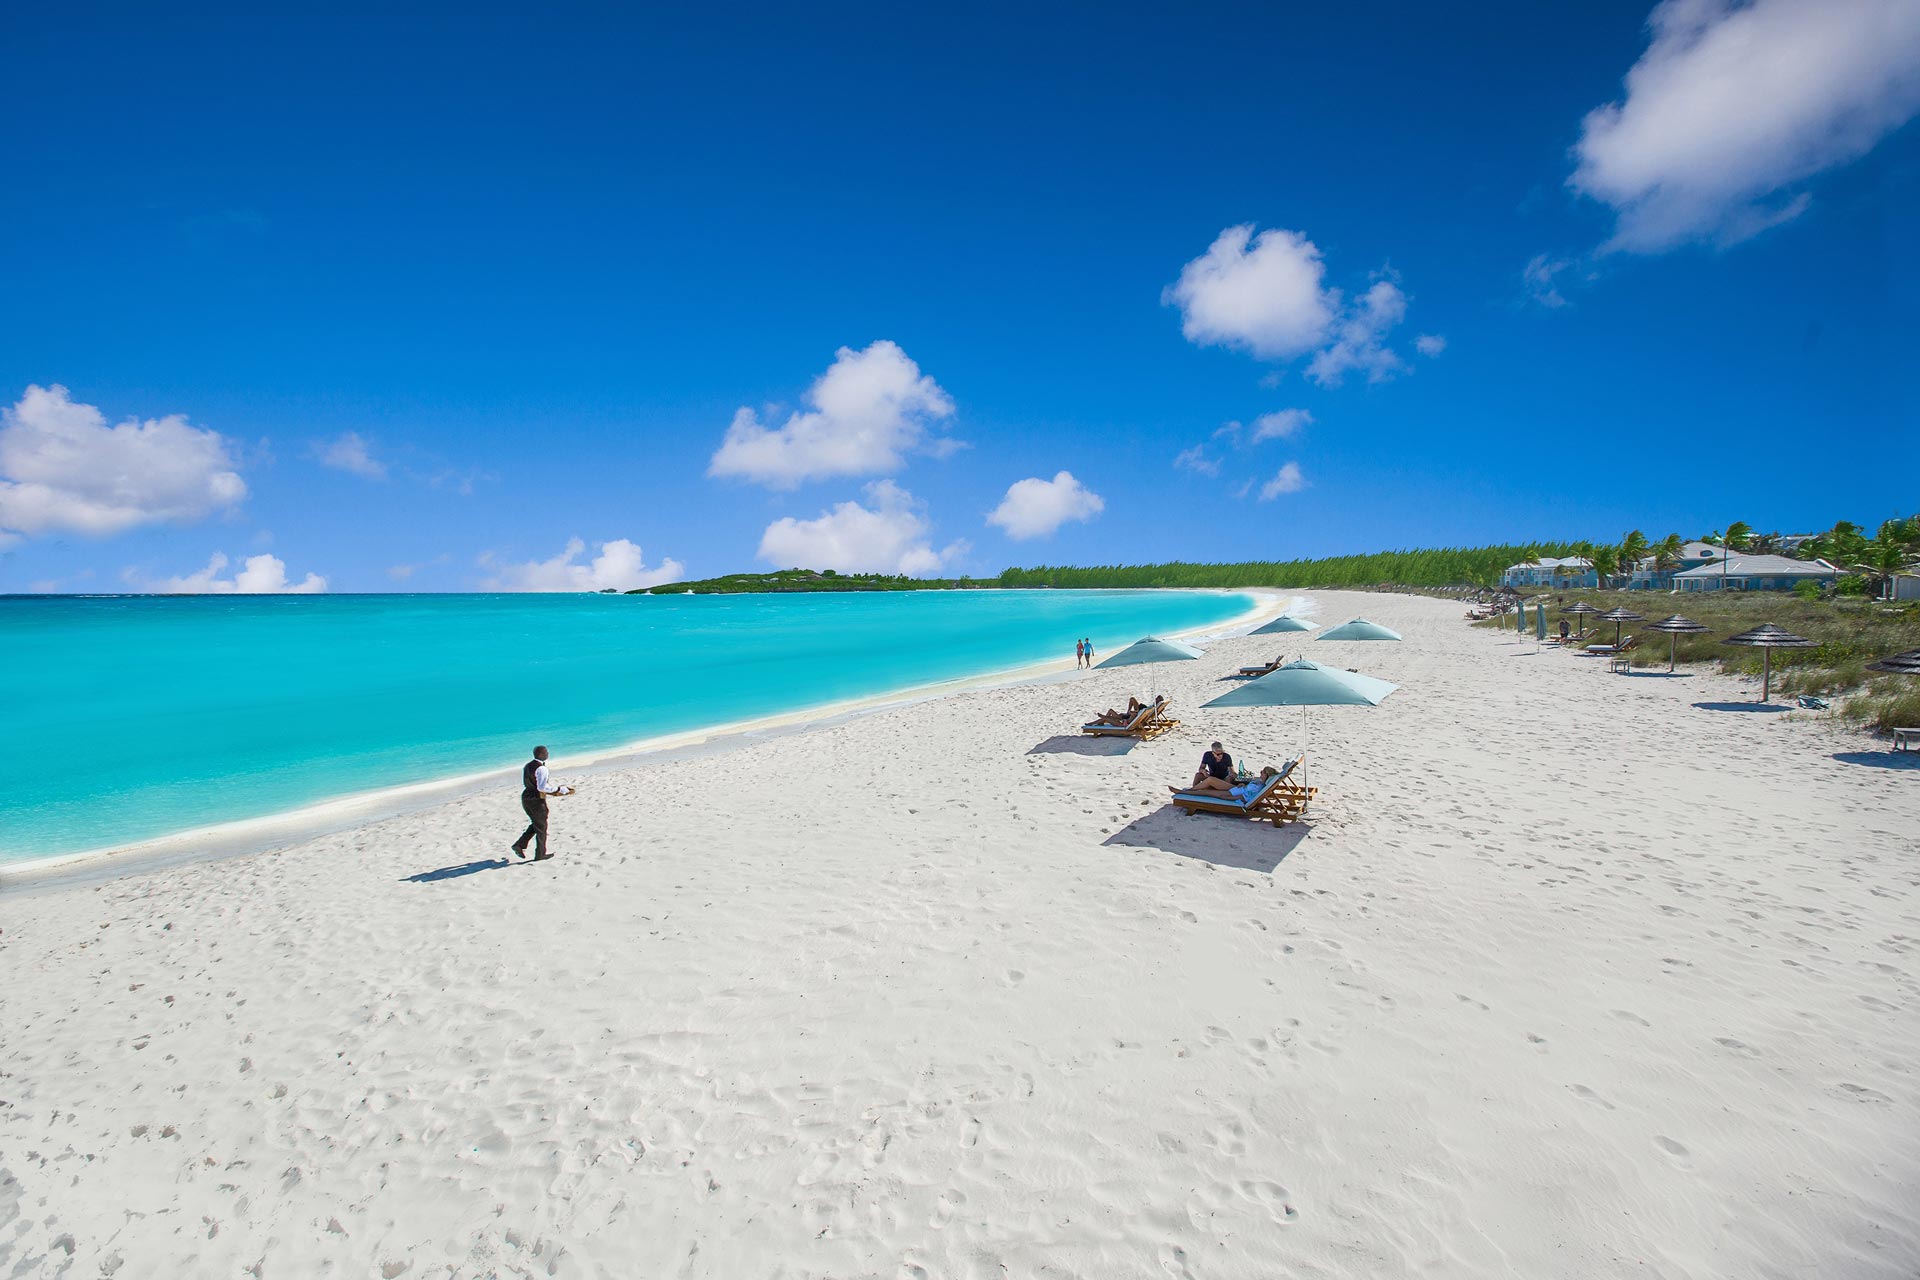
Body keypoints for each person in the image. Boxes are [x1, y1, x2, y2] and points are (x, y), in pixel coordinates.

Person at [512, 745, 571, 861]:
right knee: (541, 826)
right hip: (536, 799)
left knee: (537, 823)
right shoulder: (542, 769)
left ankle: (519, 845)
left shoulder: (527, 766)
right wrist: (560, 789)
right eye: (546, 752)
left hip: (526, 797)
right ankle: (540, 854)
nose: (548, 753)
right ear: (541, 754)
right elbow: (542, 787)